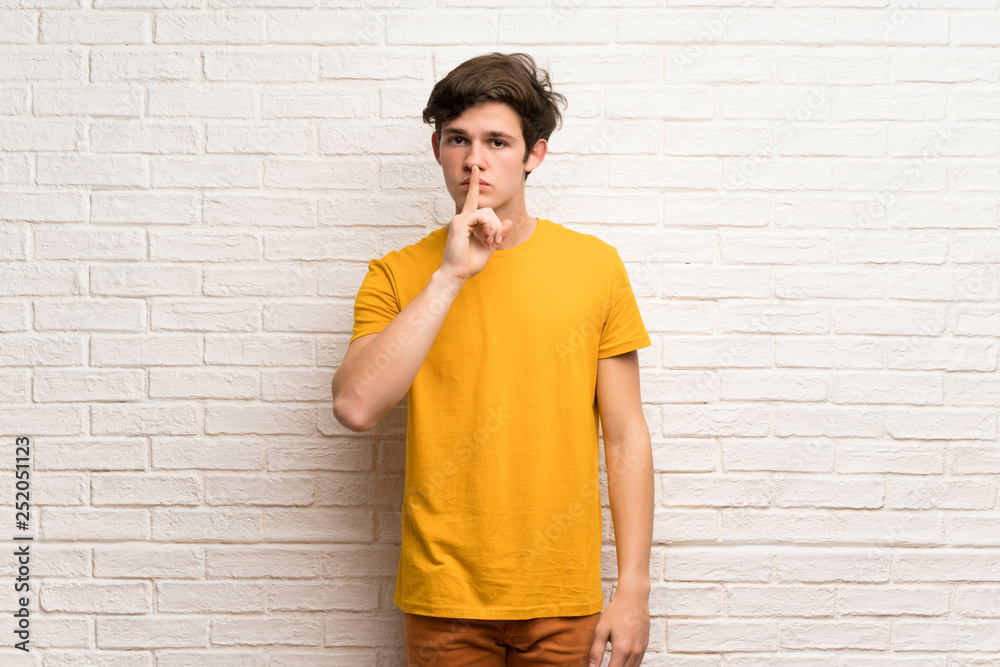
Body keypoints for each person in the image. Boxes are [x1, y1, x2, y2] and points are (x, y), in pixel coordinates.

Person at [331, 52, 653, 667]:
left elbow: (625, 434)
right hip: (444, 600)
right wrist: (451, 276)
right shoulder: (398, 274)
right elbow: (355, 406)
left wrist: (633, 587)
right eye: (459, 140)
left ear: (535, 154)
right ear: (437, 149)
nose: (474, 160)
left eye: (497, 141)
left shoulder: (596, 266)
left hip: (563, 595)